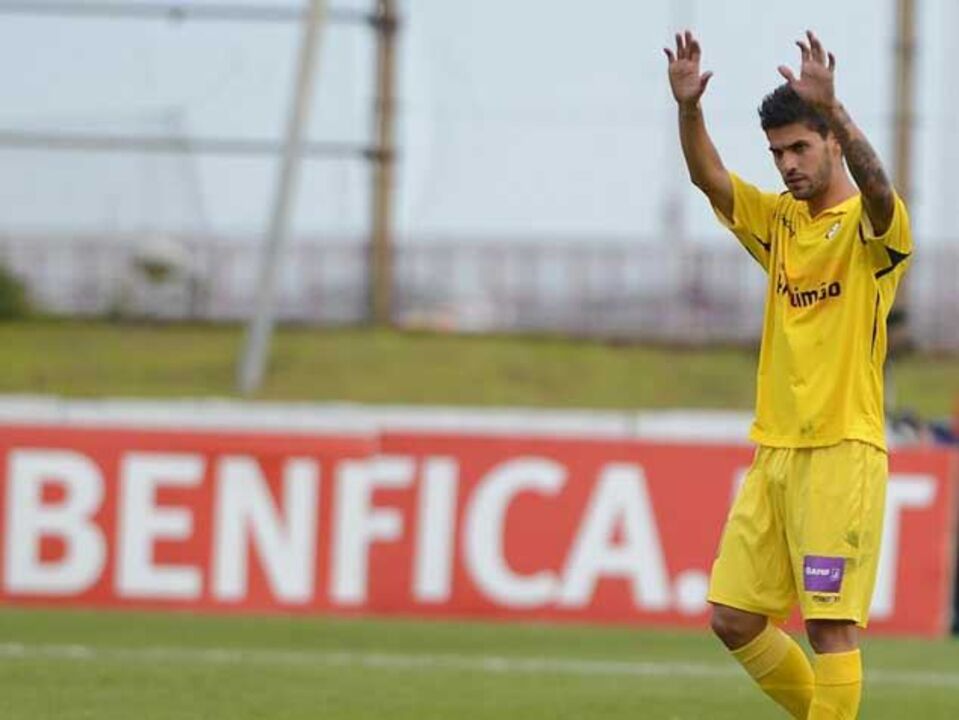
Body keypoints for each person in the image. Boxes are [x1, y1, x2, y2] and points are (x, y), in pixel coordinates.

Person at [664, 30, 912, 718]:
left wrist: (837, 108)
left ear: (830, 140)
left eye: (800, 146)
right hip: (775, 451)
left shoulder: (869, 229)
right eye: (777, 152)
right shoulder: (776, 224)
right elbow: (708, 178)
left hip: (840, 449)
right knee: (732, 619)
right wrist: (688, 109)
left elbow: (881, 190)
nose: (787, 164)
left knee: (828, 626)